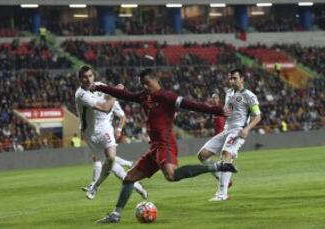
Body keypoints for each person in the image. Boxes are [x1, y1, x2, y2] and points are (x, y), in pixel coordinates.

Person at [92, 68, 237, 223]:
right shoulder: (143, 97)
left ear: (156, 80)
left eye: (147, 83)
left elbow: (191, 105)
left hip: (165, 144)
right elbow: (124, 94)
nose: (144, 87)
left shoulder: (167, 97)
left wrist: (217, 110)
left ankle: (217, 167)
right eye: (142, 84)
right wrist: (98, 87)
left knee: (171, 175)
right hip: (154, 147)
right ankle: (116, 215)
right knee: (129, 178)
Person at [75, 65, 147, 200]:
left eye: (90, 76)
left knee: (111, 159)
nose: (88, 79)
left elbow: (116, 108)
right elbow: (105, 107)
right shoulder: (81, 95)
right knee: (110, 164)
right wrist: (116, 92)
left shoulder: (101, 86)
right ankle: (134, 183)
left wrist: (115, 92)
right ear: (80, 79)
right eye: (84, 77)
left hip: (105, 129)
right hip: (89, 134)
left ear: (93, 76)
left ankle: (95, 187)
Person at [197, 68, 261, 201]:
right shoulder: (228, 93)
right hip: (226, 130)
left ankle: (222, 194)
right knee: (202, 155)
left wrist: (247, 129)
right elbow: (229, 110)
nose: (231, 80)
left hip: (238, 130)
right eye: (230, 78)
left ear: (242, 79)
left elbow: (257, 116)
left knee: (226, 155)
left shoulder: (249, 95)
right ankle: (222, 178)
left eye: (235, 78)